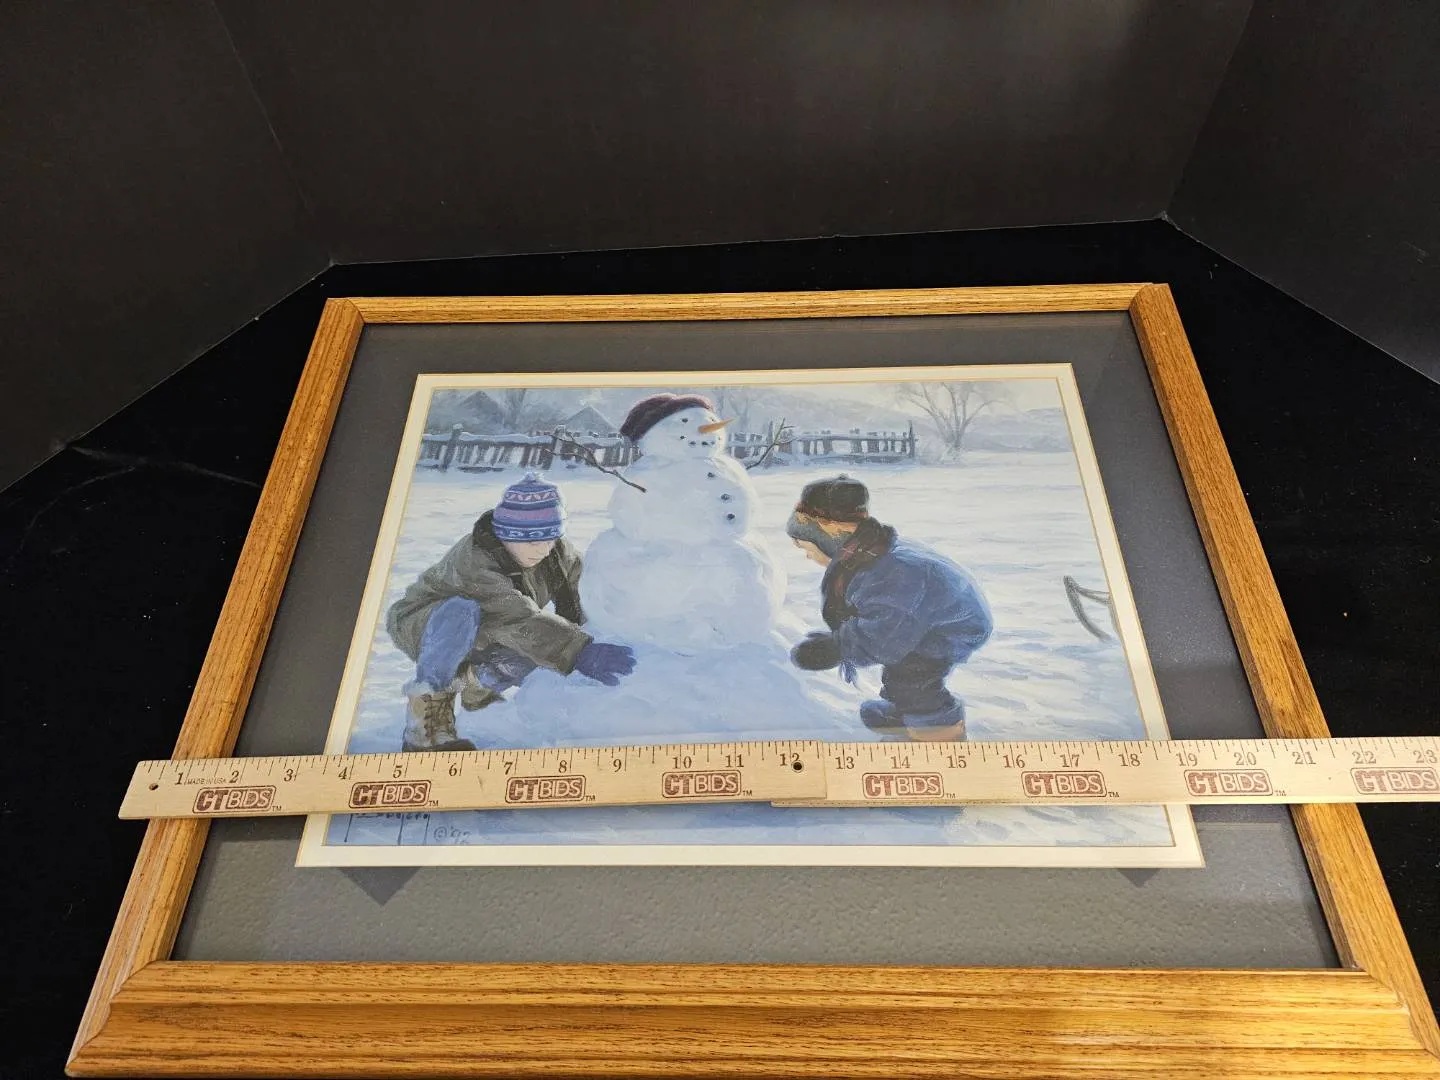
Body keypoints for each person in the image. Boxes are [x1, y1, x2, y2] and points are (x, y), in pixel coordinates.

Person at [385, 473, 636, 751]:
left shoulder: (557, 554)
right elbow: (515, 616)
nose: (543, 549)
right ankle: (425, 727)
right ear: (506, 534)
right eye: (531, 540)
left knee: (540, 657)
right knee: (462, 612)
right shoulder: (475, 559)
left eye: (550, 538)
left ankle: (474, 687)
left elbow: (581, 603)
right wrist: (579, 651)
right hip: (429, 624)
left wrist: (593, 640)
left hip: (492, 626)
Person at [785, 475, 992, 740]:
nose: (807, 555)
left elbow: (883, 638)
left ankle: (939, 733)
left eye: (807, 547)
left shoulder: (891, 575)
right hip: (925, 616)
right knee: (901, 672)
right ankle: (904, 713)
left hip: (950, 626)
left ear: (831, 534)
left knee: (913, 680)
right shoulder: (868, 552)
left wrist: (837, 647)